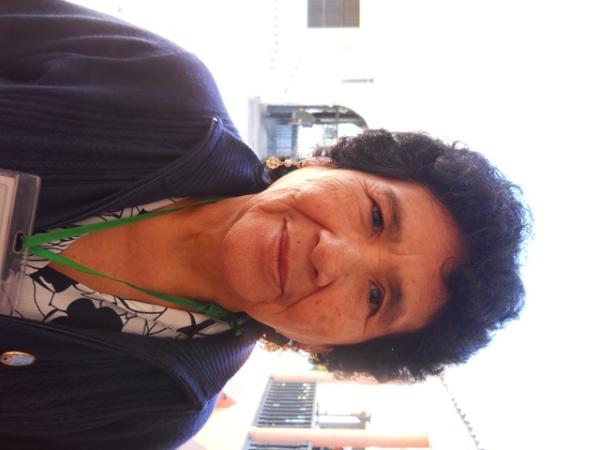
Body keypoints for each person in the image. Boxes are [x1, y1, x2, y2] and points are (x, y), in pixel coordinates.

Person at [0, 1, 530, 449]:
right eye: (375, 215)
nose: (331, 255)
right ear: (329, 164)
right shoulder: (157, 87)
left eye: (375, 297)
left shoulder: (154, 413)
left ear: (328, 349)